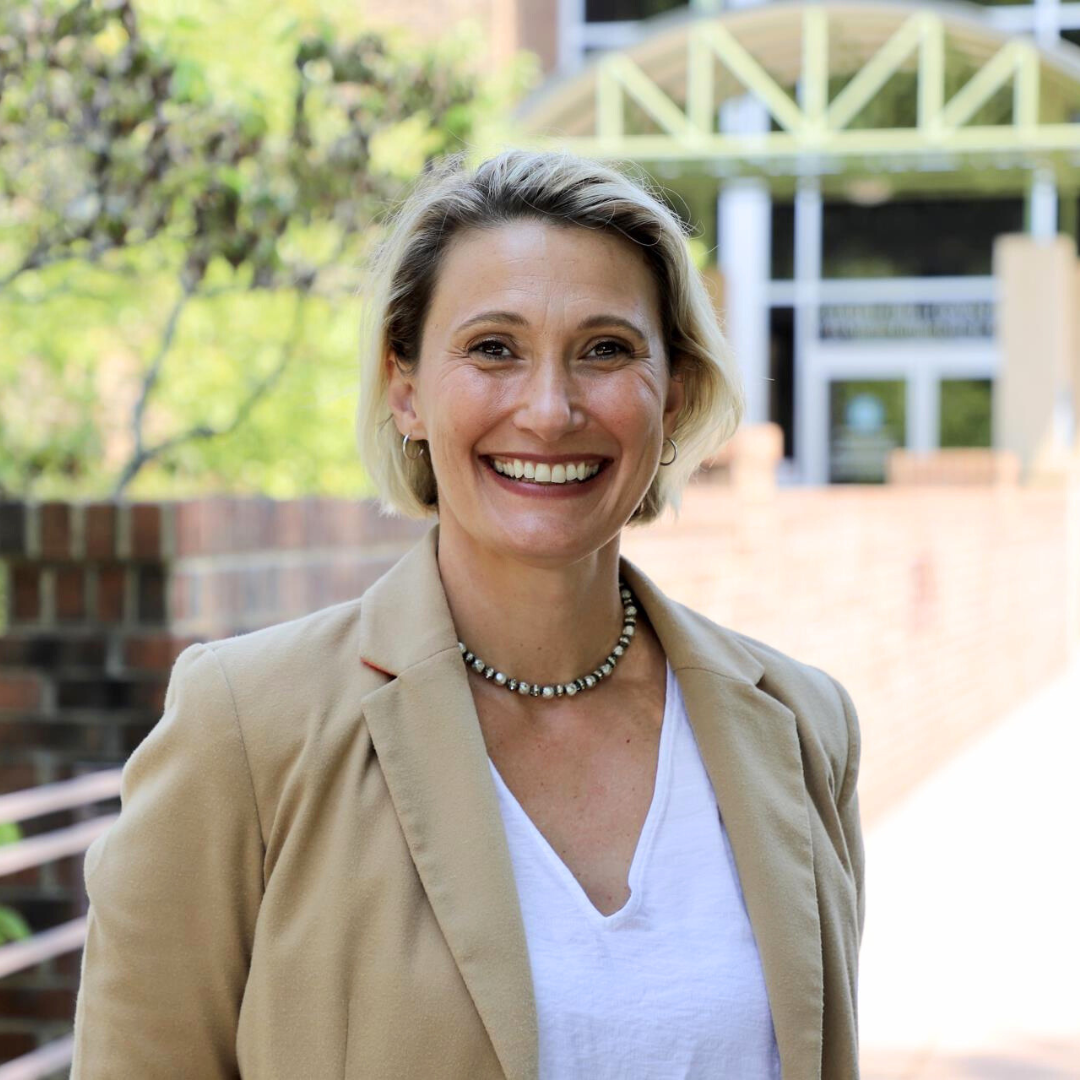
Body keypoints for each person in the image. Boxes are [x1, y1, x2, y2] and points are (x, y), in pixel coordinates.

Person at [71, 148, 865, 1079]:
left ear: (674, 395)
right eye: (494, 349)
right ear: (405, 389)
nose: (550, 408)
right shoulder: (246, 731)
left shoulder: (802, 727)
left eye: (605, 350)